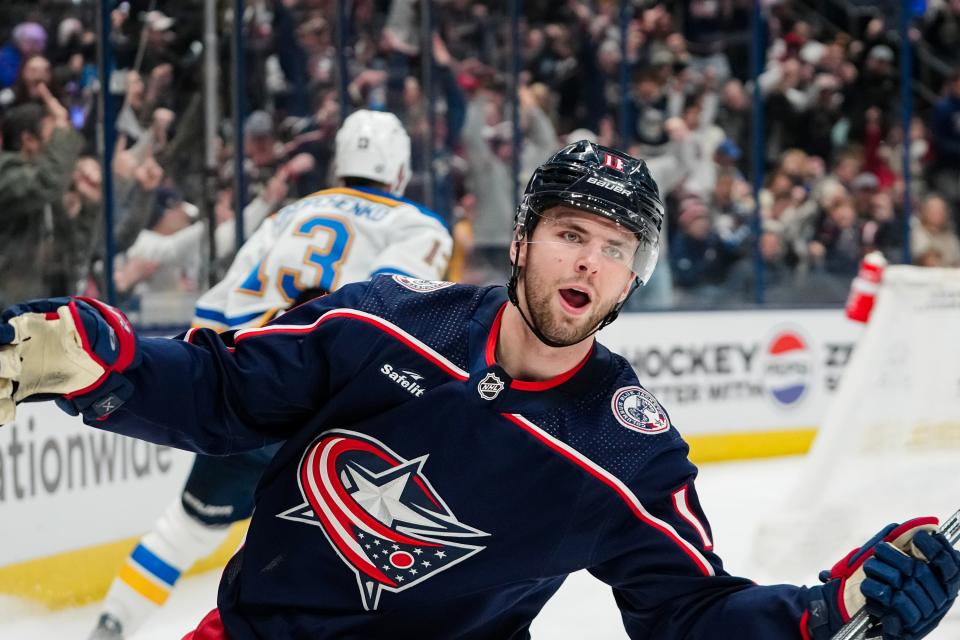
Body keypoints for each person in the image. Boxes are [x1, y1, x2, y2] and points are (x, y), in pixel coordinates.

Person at [1, 141, 958, 640]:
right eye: (571, 233)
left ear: (632, 283)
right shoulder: (384, 321)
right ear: (521, 241)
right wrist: (105, 360)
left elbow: (693, 617)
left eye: (616, 249)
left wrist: (829, 607)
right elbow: (222, 389)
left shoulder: (626, 451)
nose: (589, 261)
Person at [86, 109, 452, 639]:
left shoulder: (286, 216)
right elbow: (399, 320)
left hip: (252, 385)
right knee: (344, 566)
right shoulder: (417, 224)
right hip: (335, 411)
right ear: (399, 168)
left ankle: (111, 627)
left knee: (186, 530)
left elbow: (215, 309)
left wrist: (211, 386)